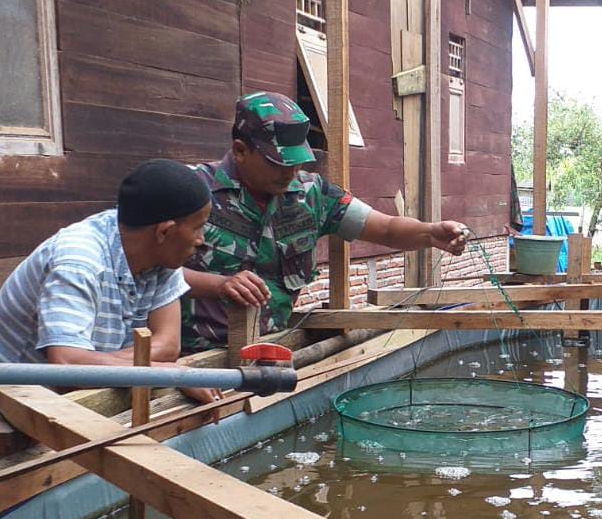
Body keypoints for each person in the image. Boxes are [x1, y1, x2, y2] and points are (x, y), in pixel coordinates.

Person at [180, 92, 470, 350]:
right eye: (278, 162)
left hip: (271, 349)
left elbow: (385, 228)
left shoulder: (312, 195)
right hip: (194, 357)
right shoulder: (190, 191)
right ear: (241, 151)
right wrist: (218, 284)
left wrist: (431, 233)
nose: (291, 172)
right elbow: (154, 270)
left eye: (297, 161)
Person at [0, 159, 219, 430]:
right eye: (198, 227)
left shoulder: (162, 255)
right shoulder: (78, 262)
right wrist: (168, 374)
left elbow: (168, 346)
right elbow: (68, 366)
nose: (201, 239)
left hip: (62, 415)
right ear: (164, 231)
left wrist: (97, 364)